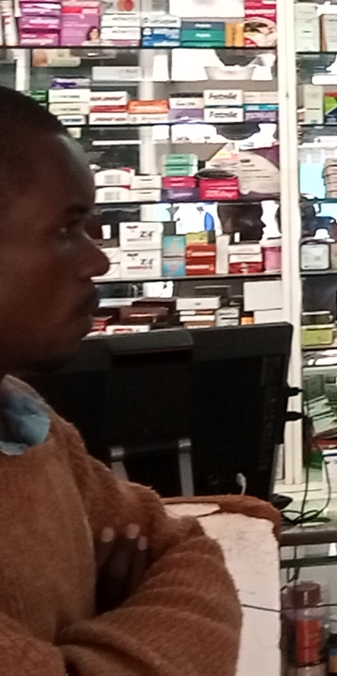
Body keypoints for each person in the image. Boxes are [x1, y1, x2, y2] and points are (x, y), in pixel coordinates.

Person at [0, 86, 251, 675]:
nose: (99, 261)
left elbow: (182, 546)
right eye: (66, 229)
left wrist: (88, 634)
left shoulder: (22, 420)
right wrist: (119, 619)